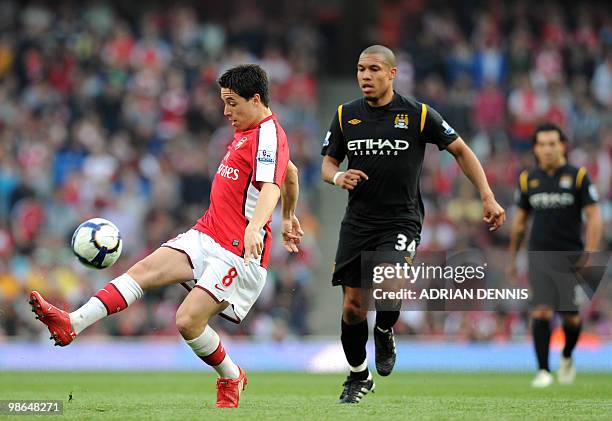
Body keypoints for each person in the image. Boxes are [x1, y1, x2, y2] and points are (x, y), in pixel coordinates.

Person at [29, 64, 304, 408]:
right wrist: (290, 217)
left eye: (232, 103)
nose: (225, 111)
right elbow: (289, 171)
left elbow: (272, 187)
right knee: (142, 272)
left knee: (188, 322)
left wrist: (256, 225)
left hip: (238, 252)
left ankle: (231, 375)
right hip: (207, 233)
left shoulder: (267, 134)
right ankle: (72, 323)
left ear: (256, 99)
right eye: (224, 102)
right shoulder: (250, 132)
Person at [320, 45, 505, 403]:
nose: (365, 76)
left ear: (392, 73)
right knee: (353, 308)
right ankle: (359, 377)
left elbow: (462, 151)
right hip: (358, 222)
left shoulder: (419, 115)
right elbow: (328, 163)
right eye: (360, 69)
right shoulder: (345, 116)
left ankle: (386, 329)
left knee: (390, 285)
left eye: (373, 69)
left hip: (400, 220)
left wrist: (487, 195)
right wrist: (337, 177)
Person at [508, 123, 602, 388]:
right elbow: (520, 222)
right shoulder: (528, 180)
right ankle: (543, 371)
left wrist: (591, 253)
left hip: (571, 256)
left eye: (552, 143)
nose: (547, 149)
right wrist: (514, 258)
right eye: (542, 144)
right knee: (542, 311)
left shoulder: (578, 177)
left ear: (562, 146)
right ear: (536, 148)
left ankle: (568, 355)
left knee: (571, 318)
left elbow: (594, 216)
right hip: (539, 255)